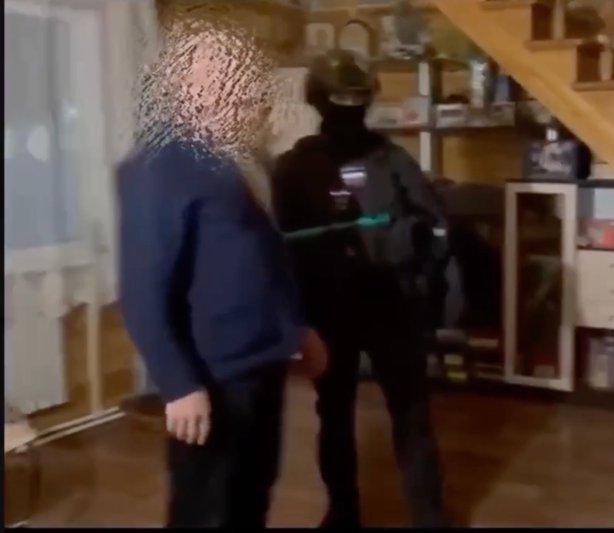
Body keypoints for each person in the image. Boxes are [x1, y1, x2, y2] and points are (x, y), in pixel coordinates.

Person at [117, 22, 326, 528]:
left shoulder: (245, 160)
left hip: (261, 366)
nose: (251, 89)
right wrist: (178, 384)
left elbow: (267, 260)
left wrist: (298, 329)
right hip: (211, 378)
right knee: (206, 511)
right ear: (185, 90)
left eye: (249, 76)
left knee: (252, 499)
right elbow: (141, 292)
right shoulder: (162, 166)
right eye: (231, 77)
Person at [271, 49, 448, 528]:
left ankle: (416, 517)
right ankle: (350, 514)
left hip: (384, 306)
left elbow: (435, 232)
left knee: (396, 412)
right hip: (338, 311)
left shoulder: (385, 160)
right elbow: (281, 249)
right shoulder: (297, 167)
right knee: (355, 413)